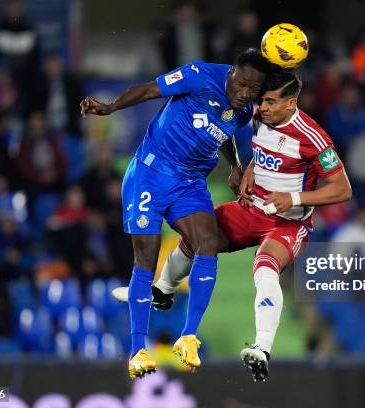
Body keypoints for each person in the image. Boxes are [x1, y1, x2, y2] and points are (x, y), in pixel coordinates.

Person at [113, 70, 352, 381]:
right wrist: (246, 168)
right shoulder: (257, 116)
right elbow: (263, 150)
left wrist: (293, 198)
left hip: (286, 222)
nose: (261, 107)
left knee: (264, 267)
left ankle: (262, 348)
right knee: (200, 238)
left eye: (269, 102)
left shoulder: (312, 137)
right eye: (261, 100)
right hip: (252, 208)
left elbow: (342, 189)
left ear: (291, 102)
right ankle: (162, 291)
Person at [80, 49, 271, 379]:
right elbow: (149, 89)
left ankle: (189, 336)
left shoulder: (243, 110)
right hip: (150, 173)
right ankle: (138, 349)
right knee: (147, 258)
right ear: (231, 74)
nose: (247, 93)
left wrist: (237, 167)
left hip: (190, 182)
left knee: (207, 242)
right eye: (243, 84)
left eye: (254, 89)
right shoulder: (199, 75)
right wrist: (110, 108)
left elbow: (223, 133)